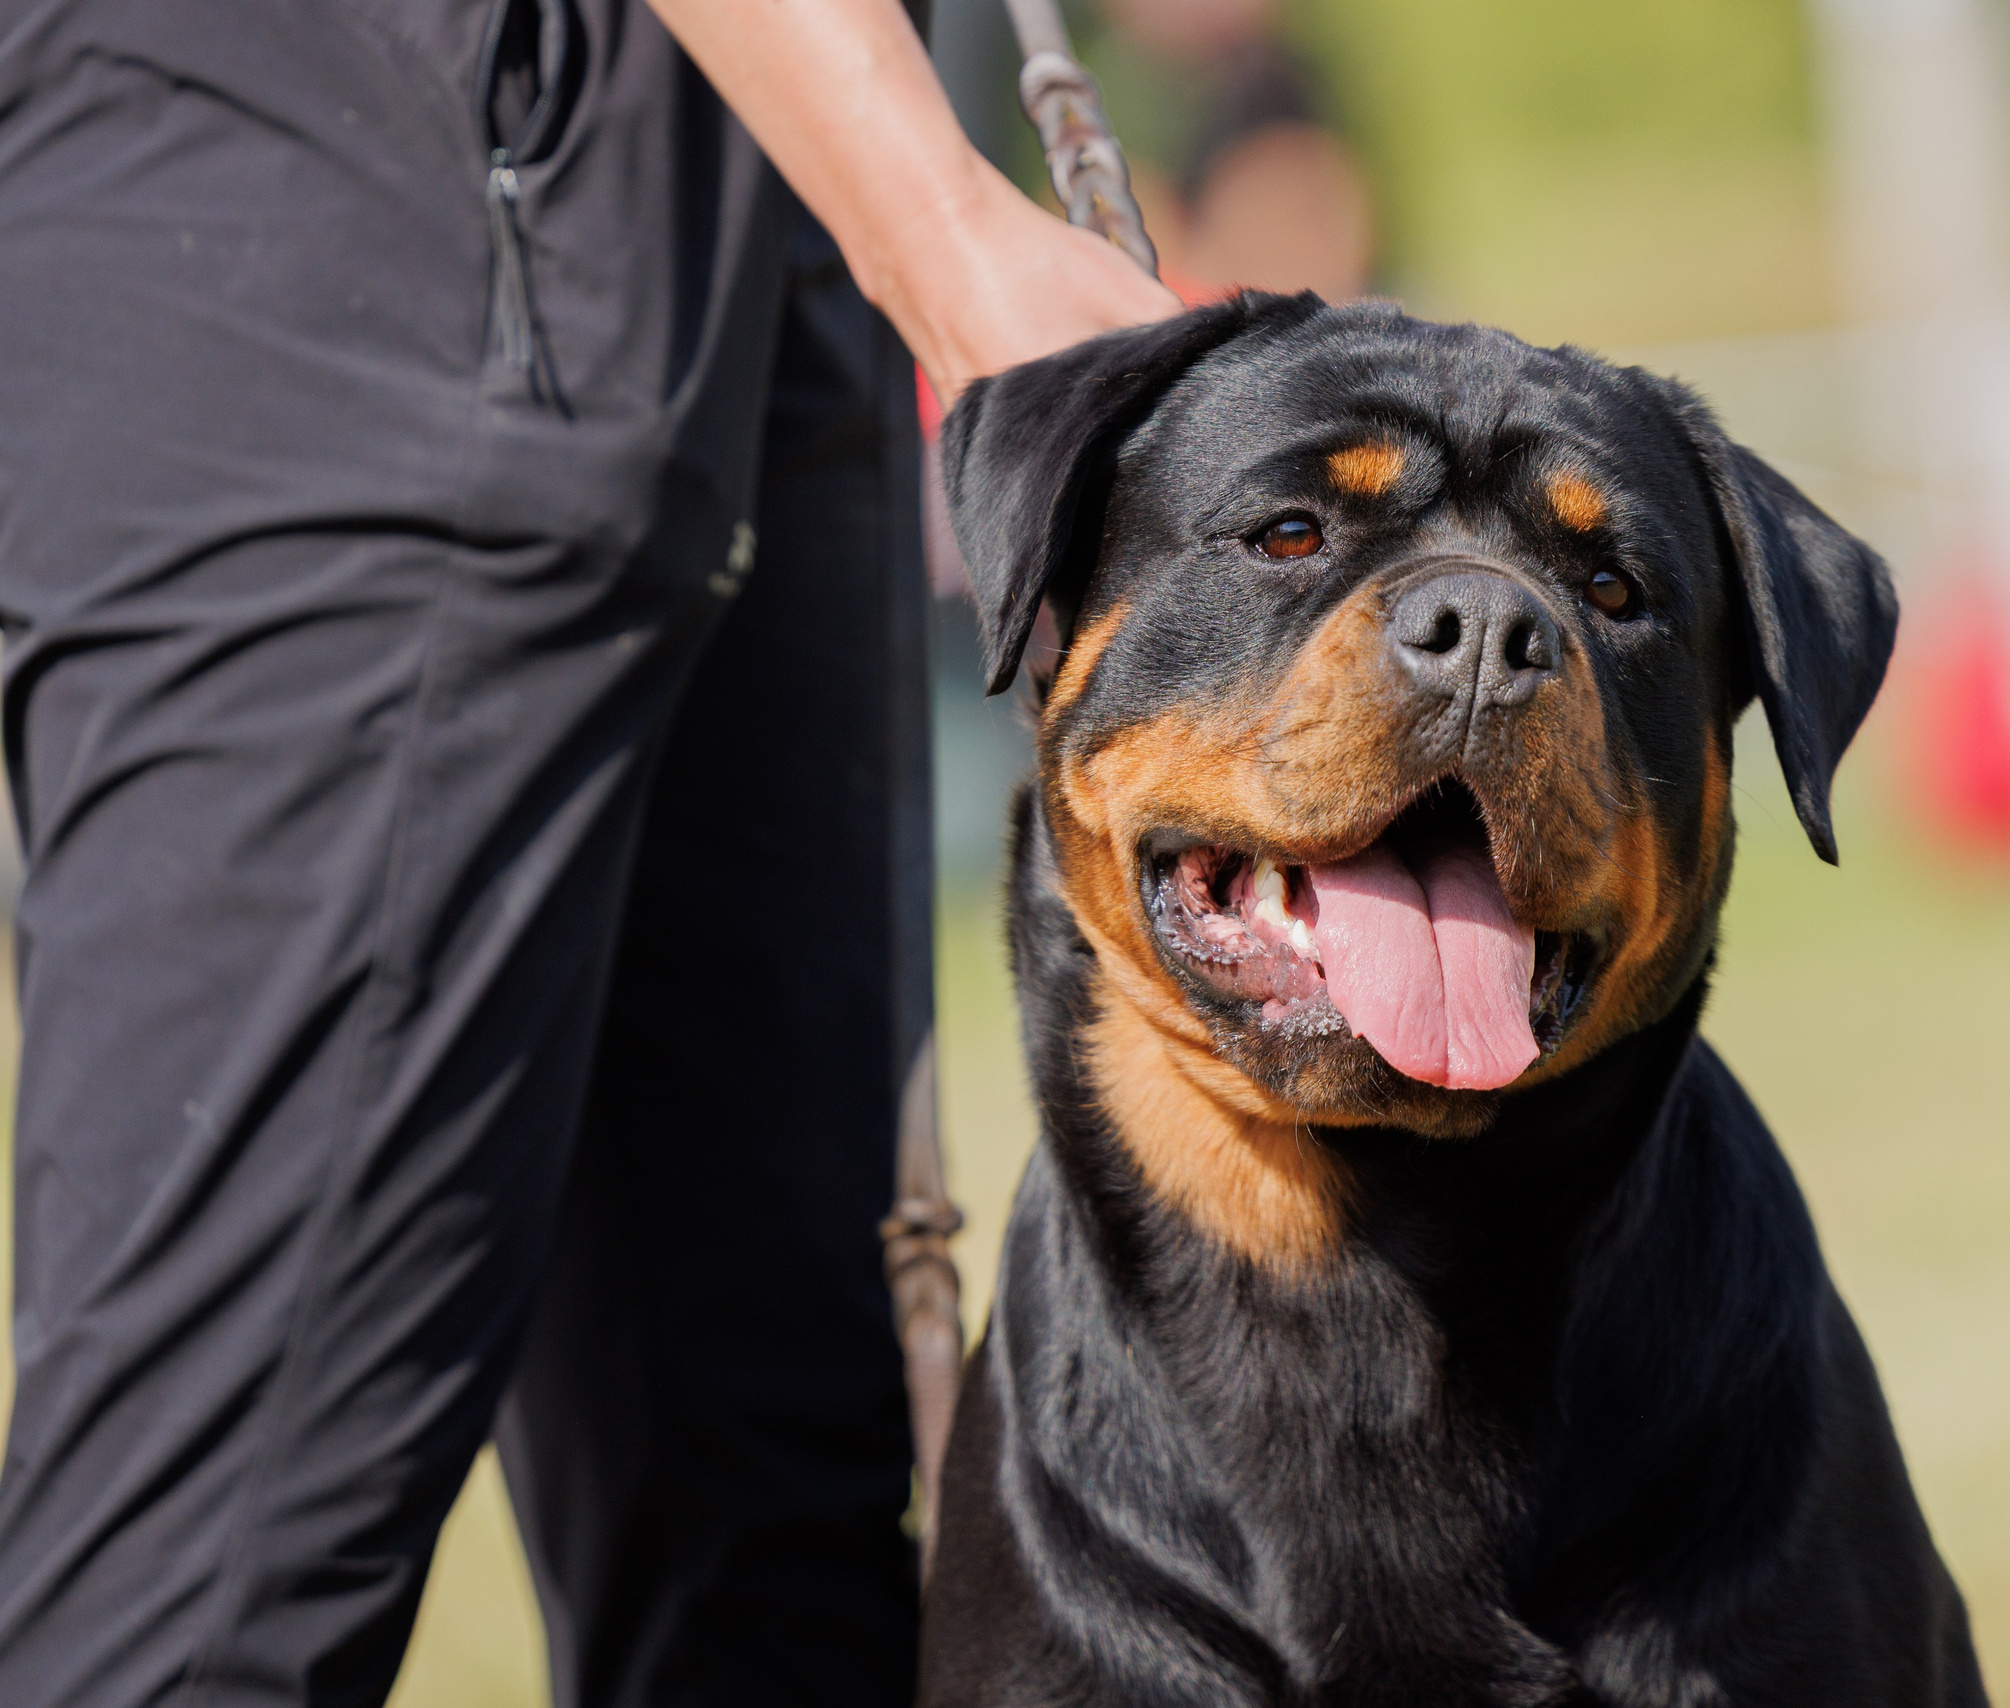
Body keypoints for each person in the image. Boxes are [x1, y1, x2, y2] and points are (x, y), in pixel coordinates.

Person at [0, 1, 1177, 1704]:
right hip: (364, 166)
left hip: (755, 158)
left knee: (776, 1530)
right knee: (206, 1610)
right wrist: (941, 225)